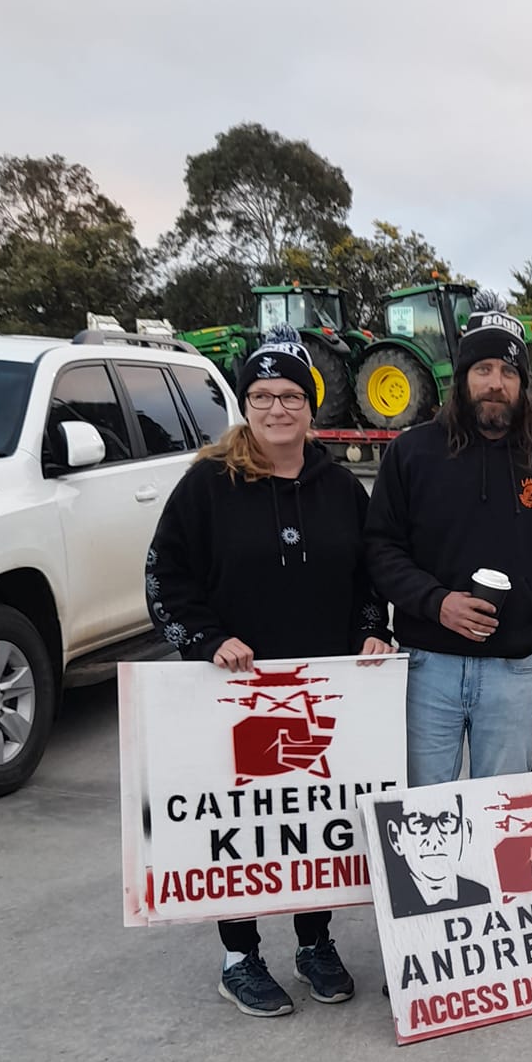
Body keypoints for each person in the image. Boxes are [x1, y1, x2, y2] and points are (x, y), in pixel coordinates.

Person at [145, 326, 393, 1018]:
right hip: (235, 690)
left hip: (321, 687)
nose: (277, 409)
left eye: (289, 396)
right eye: (261, 395)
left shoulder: (340, 487)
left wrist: (373, 631)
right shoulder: (208, 485)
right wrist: (207, 638)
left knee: (308, 818)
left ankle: (314, 942)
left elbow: (370, 576)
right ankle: (240, 956)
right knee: (244, 824)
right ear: (245, 403)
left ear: (311, 407)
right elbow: (166, 577)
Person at [364, 304, 532, 787]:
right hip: (426, 664)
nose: (495, 382)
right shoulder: (411, 454)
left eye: (507, 371)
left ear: (522, 385)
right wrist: (437, 604)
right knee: (425, 804)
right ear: (462, 379)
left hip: (512, 671)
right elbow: (381, 549)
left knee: (504, 809)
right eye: (483, 369)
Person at [377, 793, 492, 917]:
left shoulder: (481, 894)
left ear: (465, 832)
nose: (435, 838)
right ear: (396, 837)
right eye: (419, 823)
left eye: (447, 822)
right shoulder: (390, 901)